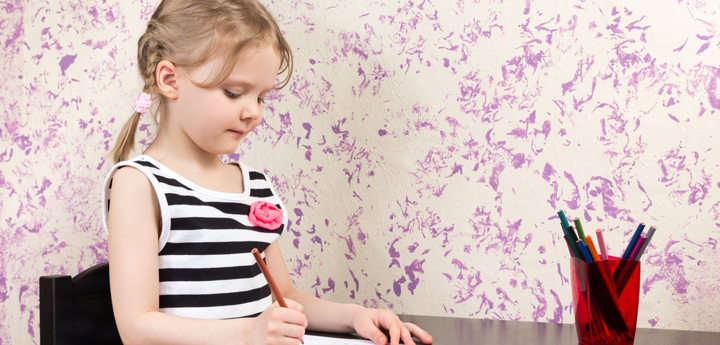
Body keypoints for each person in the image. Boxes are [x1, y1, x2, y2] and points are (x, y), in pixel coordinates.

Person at [101, 1, 434, 345]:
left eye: (261, 97)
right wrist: (250, 332)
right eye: (234, 92)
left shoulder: (253, 186)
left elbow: (285, 294)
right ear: (170, 79)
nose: (253, 112)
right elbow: (136, 328)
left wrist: (353, 316)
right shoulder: (139, 184)